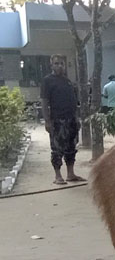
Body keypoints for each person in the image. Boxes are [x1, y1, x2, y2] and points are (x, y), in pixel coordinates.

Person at [40, 54, 85, 185]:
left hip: (71, 119)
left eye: (62, 63)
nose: (60, 66)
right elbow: (44, 101)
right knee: (57, 148)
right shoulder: (47, 81)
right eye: (56, 63)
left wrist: (76, 118)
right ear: (51, 65)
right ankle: (58, 176)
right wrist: (47, 120)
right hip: (57, 120)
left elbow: (73, 101)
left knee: (71, 147)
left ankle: (71, 174)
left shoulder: (67, 81)